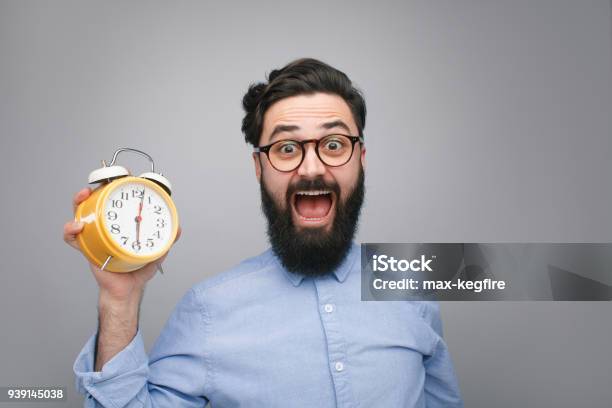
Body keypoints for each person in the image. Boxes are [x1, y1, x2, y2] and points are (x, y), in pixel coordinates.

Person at [64, 58, 463, 407]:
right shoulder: (207, 311)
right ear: (259, 168)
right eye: (287, 148)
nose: (311, 169)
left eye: (335, 144)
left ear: (360, 159)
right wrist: (120, 299)